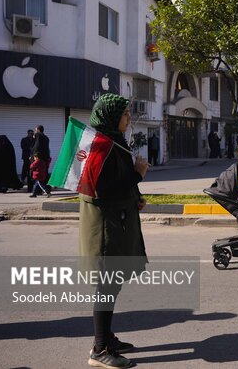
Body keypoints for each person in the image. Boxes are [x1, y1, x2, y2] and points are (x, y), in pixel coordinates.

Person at [80, 93, 149, 369]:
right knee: (106, 287)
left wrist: (136, 196)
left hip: (117, 222)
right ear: (111, 117)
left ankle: (107, 337)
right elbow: (103, 190)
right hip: (106, 229)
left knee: (112, 284)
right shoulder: (101, 147)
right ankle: (99, 349)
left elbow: (117, 183)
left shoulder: (113, 142)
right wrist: (137, 174)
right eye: (124, 114)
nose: (128, 118)